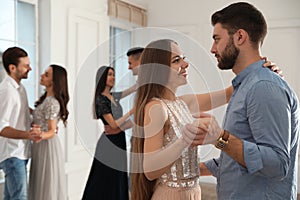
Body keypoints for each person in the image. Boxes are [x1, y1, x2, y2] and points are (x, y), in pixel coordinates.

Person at [183, 2, 299, 200]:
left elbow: (277, 164)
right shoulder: (244, 86)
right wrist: (192, 170)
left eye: (217, 39)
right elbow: (238, 158)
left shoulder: (263, 87)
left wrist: (221, 137)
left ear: (239, 37)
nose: (212, 49)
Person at [130, 39, 236, 200]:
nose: (185, 64)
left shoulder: (184, 103)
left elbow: (229, 94)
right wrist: (186, 137)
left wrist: (261, 70)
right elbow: (150, 170)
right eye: (176, 60)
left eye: (183, 58)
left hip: (193, 193)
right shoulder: (156, 108)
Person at [82, 66, 134, 200]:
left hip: (118, 140)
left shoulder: (113, 96)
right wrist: (131, 112)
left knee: (117, 176)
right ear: (102, 78)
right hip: (109, 144)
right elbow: (114, 124)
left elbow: (132, 89)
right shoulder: (101, 99)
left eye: (114, 75)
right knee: (105, 179)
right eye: (110, 75)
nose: (113, 78)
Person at [0, 47, 41, 200]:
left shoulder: (20, 88)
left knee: (11, 197)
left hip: (21, 151)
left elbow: (21, 113)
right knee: (20, 197)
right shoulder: (7, 91)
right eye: (25, 65)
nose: (30, 68)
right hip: (12, 153)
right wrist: (27, 135)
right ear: (12, 68)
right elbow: (1, 127)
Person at [28, 64, 69, 200]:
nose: (41, 75)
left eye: (46, 74)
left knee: (45, 184)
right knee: (40, 182)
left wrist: (39, 135)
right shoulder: (47, 99)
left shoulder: (52, 103)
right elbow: (40, 117)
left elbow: (52, 131)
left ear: (54, 81)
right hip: (41, 145)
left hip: (46, 146)